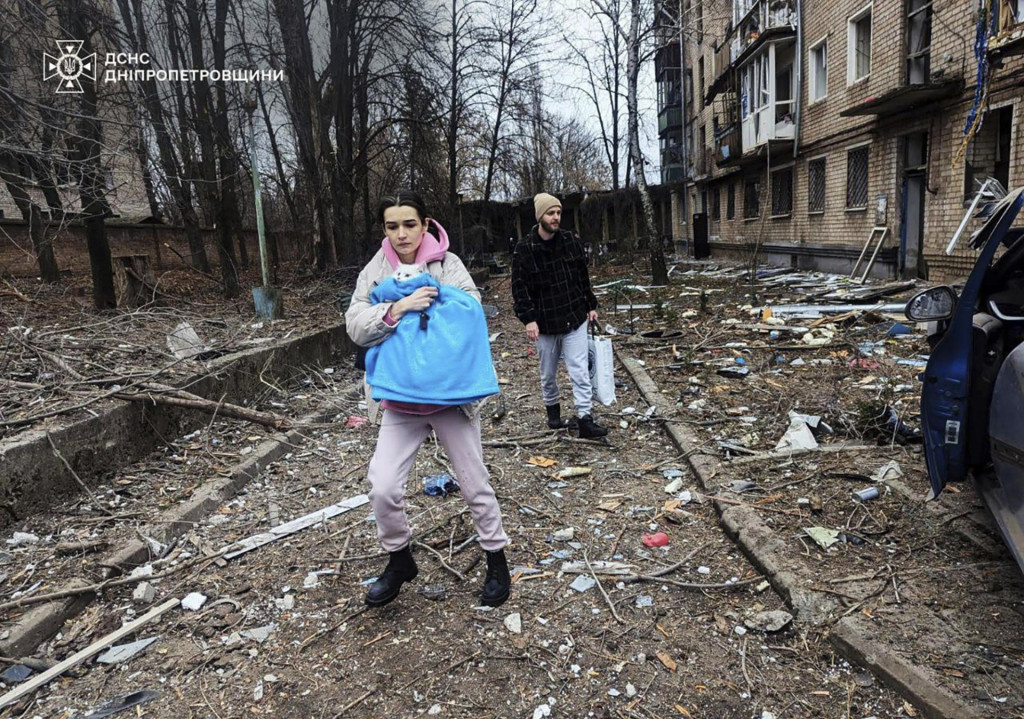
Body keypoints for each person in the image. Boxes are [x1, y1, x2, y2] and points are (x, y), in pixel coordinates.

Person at [345, 189, 510, 608]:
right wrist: (397, 307)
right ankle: (399, 560)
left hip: (449, 397)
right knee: (382, 487)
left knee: (474, 484)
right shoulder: (376, 269)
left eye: (409, 224)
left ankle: (496, 558)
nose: (402, 234)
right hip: (400, 400)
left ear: (425, 223)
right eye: (392, 226)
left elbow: (472, 311)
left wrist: (431, 296)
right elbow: (355, 326)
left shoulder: (447, 264)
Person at [511, 193, 608, 439]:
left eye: (558, 213)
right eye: (550, 213)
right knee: (548, 373)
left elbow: (581, 277)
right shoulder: (525, 249)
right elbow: (519, 288)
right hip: (544, 323)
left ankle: (585, 418)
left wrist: (590, 305)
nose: (555, 218)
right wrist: (528, 318)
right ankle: (553, 415)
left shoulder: (570, 242)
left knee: (579, 370)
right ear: (540, 217)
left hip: (574, 316)